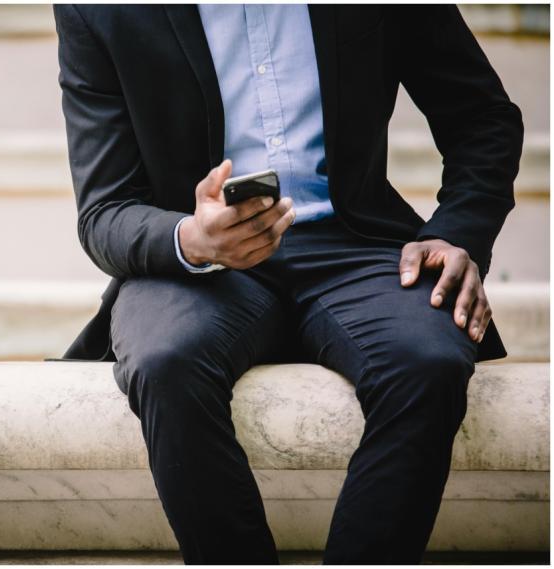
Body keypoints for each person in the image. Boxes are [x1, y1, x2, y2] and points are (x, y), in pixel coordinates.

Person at [52, 4, 523, 564]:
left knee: (429, 359)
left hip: (356, 246)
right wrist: (193, 238)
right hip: (200, 263)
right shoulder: (99, 10)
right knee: (165, 361)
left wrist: (457, 233)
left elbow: (482, 118)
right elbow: (105, 209)